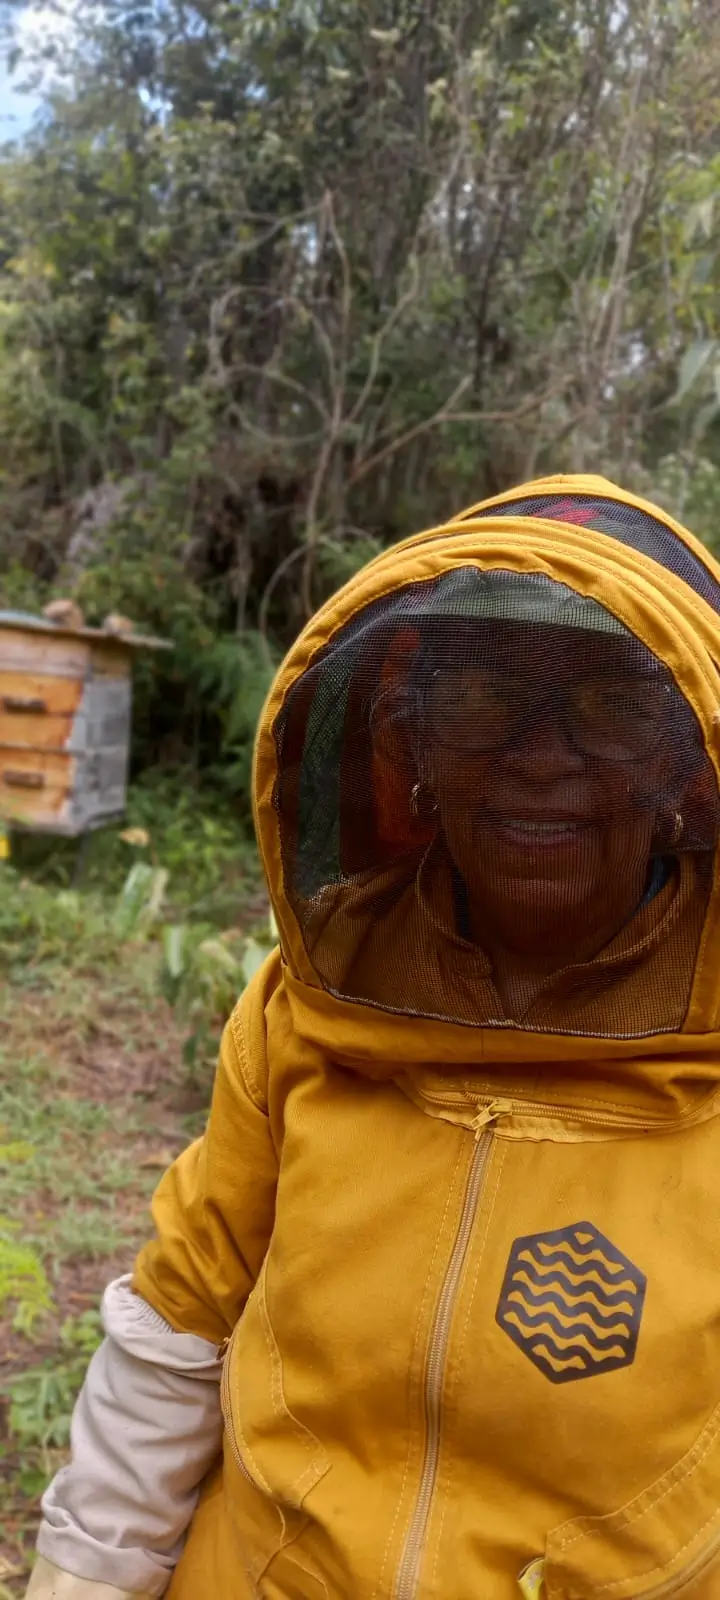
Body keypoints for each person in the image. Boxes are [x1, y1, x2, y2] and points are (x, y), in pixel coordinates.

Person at [25, 473, 720, 1600]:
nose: (542, 756)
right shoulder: (309, 1001)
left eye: (609, 701)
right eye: (484, 694)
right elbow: (177, 1322)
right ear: (414, 749)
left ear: (684, 767)